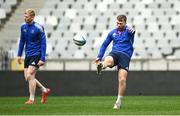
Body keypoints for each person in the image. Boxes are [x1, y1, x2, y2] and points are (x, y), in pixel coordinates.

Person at [95, 15, 135, 109]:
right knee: (108, 61)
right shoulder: (112, 33)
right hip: (115, 53)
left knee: (122, 80)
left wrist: (131, 30)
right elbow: (104, 45)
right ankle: (102, 65)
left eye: (121, 23)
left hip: (125, 55)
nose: (118, 25)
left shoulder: (129, 31)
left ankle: (118, 102)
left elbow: (132, 32)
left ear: (125, 23)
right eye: (117, 23)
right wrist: (99, 57)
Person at [17, 9, 51, 104]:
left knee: (29, 75)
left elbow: (44, 43)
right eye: (24, 16)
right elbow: (22, 41)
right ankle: (44, 90)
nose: (25, 17)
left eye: (26, 16)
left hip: (37, 54)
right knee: (27, 77)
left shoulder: (39, 28)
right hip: (28, 55)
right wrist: (19, 55)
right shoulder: (23, 27)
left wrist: (42, 58)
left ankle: (31, 99)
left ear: (32, 17)